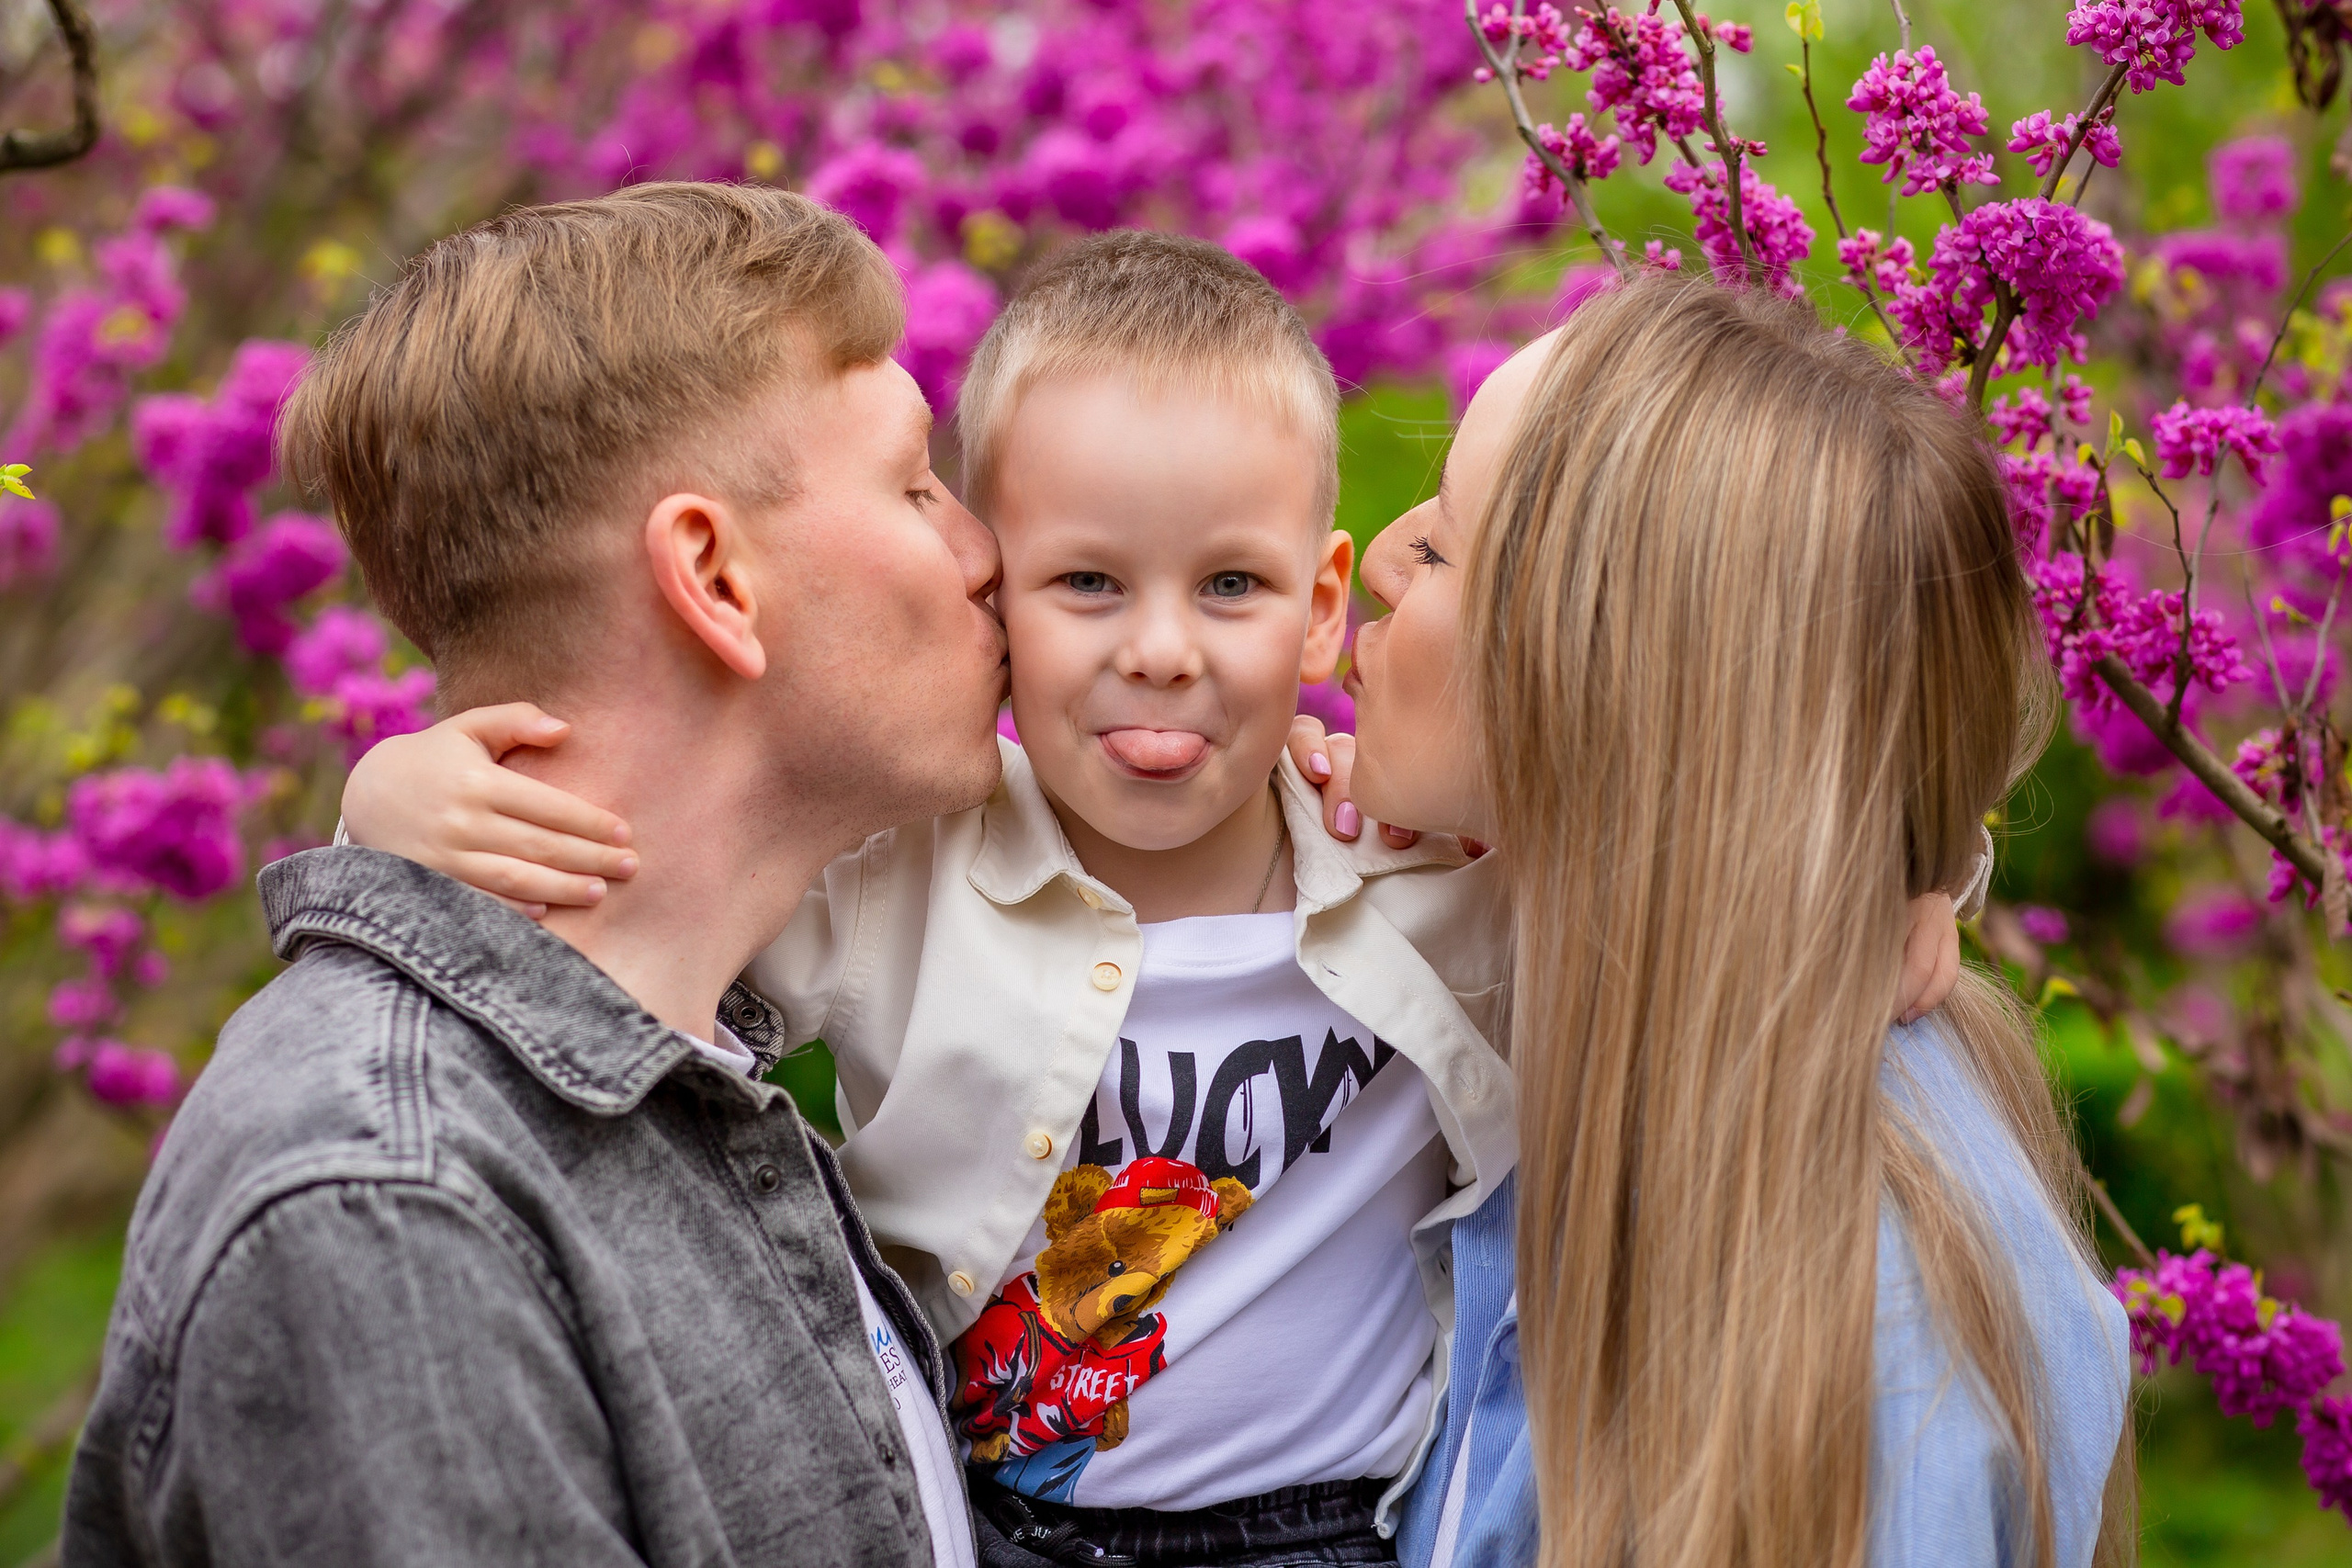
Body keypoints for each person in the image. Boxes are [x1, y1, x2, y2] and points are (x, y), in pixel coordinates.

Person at [338, 235, 1969, 1567]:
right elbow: (640, 903)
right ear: (993, 595)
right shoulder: (911, 875)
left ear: (1322, 606)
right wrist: (388, 804)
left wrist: (1912, 874)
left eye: (1232, 585)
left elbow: (1700, 817)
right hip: (1006, 1519)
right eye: (1089, 584)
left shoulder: (1414, 870)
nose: (1164, 651)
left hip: (1337, 1531)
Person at [62, 184, 1004, 1568]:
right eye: (916, 485)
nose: (985, 556)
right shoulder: (391, 1207)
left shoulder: (681, 1075)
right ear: (714, 578)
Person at [1296, 274, 2133, 1567]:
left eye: (1448, 546)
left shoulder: (1870, 1347)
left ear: (1597, 687)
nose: (1384, 560)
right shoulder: (1627, 1050)